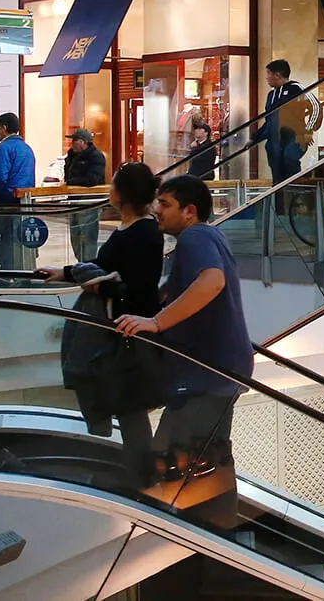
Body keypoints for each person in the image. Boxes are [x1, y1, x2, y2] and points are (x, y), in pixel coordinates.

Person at [116, 176, 251, 487]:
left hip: (206, 374)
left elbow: (212, 281)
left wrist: (157, 322)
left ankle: (181, 524)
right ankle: (215, 521)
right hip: (219, 372)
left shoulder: (195, 238)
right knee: (207, 455)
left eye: (165, 204)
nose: (156, 210)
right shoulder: (209, 237)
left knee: (173, 460)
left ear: (189, 210)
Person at [44, 162, 163, 484]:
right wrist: (67, 272)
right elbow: (104, 265)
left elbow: (139, 291)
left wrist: (101, 286)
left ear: (122, 194)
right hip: (119, 329)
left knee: (129, 407)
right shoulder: (133, 229)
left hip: (126, 333)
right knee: (127, 407)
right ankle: (139, 476)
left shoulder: (144, 234)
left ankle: (142, 479)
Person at [0, 112, 36, 271]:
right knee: (11, 239)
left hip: (4, 204)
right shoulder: (26, 149)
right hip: (22, 204)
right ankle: (12, 270)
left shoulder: (4, 147)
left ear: (5, 128)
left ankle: (9, 267)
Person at [256, 60, 304, 184]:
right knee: (277, 174)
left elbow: (314, 105)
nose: (266, 78)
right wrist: (255, 138)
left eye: (268, 74)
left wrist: (308, 130)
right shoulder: (271, 95)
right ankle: (279, 200)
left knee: (289, 161)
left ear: (277, 75)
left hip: (294, 137)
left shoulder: (296, 88)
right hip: (274, 140)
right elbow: (269, 120)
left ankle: (295, 196)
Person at [63, 126, 107, 262]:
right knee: (75, 236)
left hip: (88, 203)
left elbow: (93, 179)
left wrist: (71, 182)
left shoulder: (96, 157)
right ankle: (81, 263)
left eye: (74, 140)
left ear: (83, 142)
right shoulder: (71, 156)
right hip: (73, 202)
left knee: (88, 237)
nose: (72, 143)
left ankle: (89, 265)